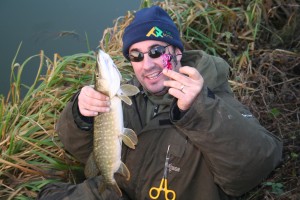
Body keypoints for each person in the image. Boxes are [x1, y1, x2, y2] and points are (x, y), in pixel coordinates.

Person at [38, 5, 282, 200]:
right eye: (136, 55)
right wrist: (80, 116)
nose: (148, 64)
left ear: (176, 52)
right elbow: (86, 152)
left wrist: (200, 109)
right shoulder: (124, 98)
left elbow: (255, 166)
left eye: (156, 51)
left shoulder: (213, 98)